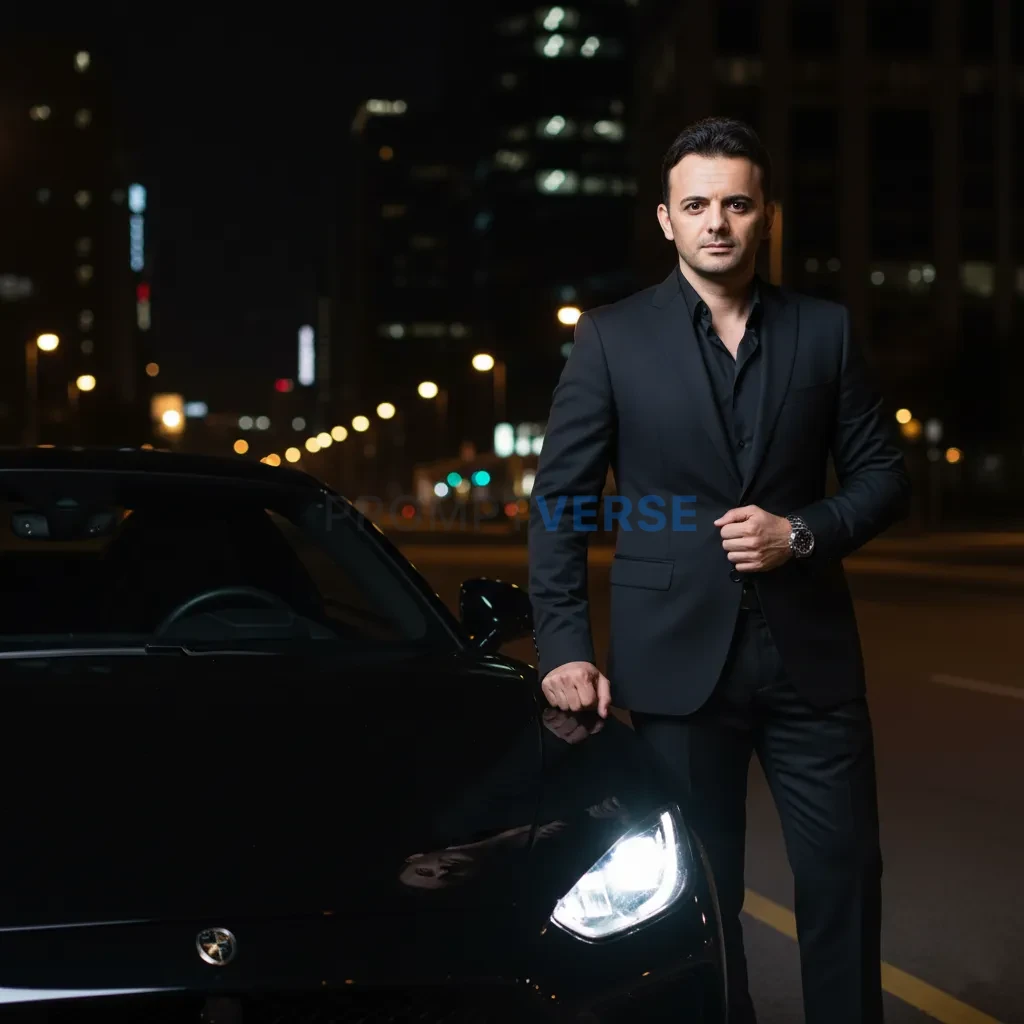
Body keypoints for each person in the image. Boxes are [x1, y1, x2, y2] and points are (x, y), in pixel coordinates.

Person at [527, 117, 911, 1024]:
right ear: (666, 220)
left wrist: (801, 533)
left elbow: (885, 477)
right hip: (672, 667)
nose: (718, 224)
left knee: (844, 880)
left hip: (809, 661)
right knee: (699, 899)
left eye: (736, 204)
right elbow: (562, 502)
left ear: (764, 213)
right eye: (696, 205)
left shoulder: (825, 332)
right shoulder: (611, 339)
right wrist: (564, 645)